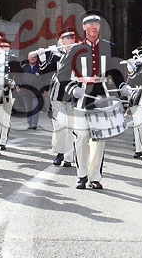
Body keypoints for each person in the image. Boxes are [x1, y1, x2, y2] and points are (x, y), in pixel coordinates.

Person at [61, 10, 125, 190]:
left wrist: (122, 87)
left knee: (99, 138)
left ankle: (94, 176)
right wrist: (72, 88)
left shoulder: (108, 47)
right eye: (90, 24)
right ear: (83, 27)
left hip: (101, 95)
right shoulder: (75, 49)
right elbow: (62, 74)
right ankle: (81, 174)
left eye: (96, 24)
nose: (94, 27)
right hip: (81, 96)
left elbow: (116, 72)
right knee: (81, 136)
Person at [45, 28, 78, 167]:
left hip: (72, 94)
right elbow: (44, 70)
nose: (68, 41)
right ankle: (59, 152)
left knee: (71, 126)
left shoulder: (79, 54)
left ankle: (69, 157)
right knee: (60, 124)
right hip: (58, 94)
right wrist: (43, 57)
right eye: (65, 39)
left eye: (71, 38)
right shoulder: (57, 55)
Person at [19, 51, 45, 129]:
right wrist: (18, 86)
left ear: (36, 58)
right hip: (26, 92)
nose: (32, 59)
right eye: (31, 57)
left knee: (35, 108)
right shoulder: (23, 67)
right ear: (28, 58)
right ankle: (29, 123)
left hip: (36, 92)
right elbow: (19, 77)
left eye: (34, 57)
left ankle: (34, 124)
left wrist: (44, 90)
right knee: (28, 109)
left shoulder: (40, 68)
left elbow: (44, 79)